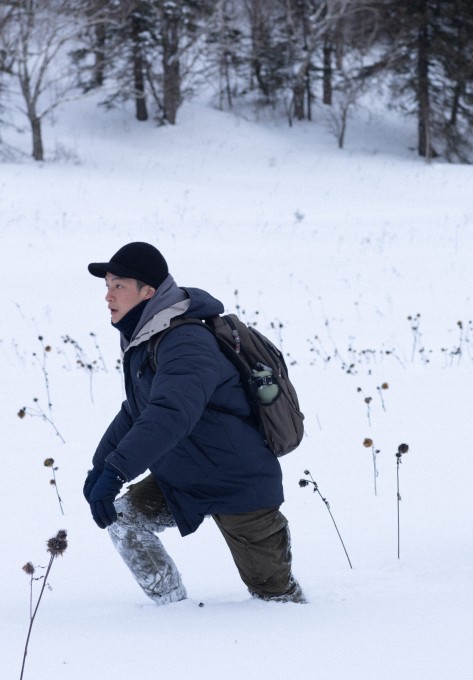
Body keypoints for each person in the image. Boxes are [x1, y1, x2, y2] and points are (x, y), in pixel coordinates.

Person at [82, 242, 305, 604]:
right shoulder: (148, 338)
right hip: (187, 477)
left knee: (276, 599)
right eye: (106, 286)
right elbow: (137, 410)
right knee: (125, 520)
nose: (108, 296)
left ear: (148, 292)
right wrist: (101, 466)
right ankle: (171, 611)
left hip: (237, 482)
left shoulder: (185, 341)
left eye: (118, 286)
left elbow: (170, 414)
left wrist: (117, 471)